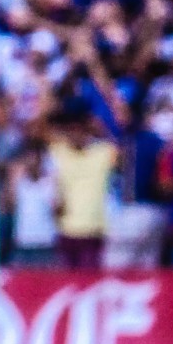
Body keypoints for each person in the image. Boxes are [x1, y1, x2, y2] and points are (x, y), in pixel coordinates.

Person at [48, 111, 116, 270]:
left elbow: (123, 149)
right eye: (72, 130)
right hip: (66, 228)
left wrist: (100, 128)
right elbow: (41, 130)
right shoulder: (59, 152)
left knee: (89, 281)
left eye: (80, 130)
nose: (76, 134)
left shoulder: (102, 153)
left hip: (93, 229)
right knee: (66, 283)